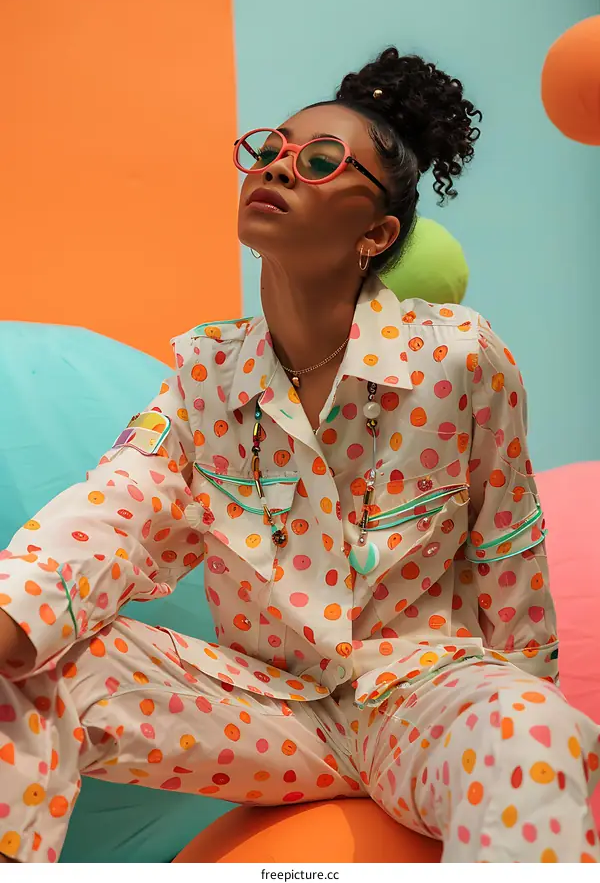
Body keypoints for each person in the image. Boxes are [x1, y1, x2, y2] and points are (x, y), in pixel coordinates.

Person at [0, 47, 598, 865]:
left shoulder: (459, 359)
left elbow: (509, 549)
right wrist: (15, 609)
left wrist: (524, 720)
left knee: (529, 724)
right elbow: (117, 510)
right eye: (270, 151)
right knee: (30, 666)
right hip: (266, 710)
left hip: (422, 700)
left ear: (377, 232)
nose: (278, 169)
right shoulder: (203, 374)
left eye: (318, 163)